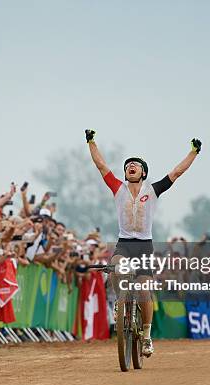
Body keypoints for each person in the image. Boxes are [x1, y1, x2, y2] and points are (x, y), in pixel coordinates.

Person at [86, 129, 201, 357]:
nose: (131, 166)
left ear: (143, 172)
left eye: (136, 165)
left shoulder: (153, 190)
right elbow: (101, 166)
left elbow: (177, 172)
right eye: (128, 164)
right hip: (124, 243)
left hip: (144, 246)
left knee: (145, 290)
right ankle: (121, 302)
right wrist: (91, 141)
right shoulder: (118, 188)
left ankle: (147, 336)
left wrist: (194, 152)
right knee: (116, 268)